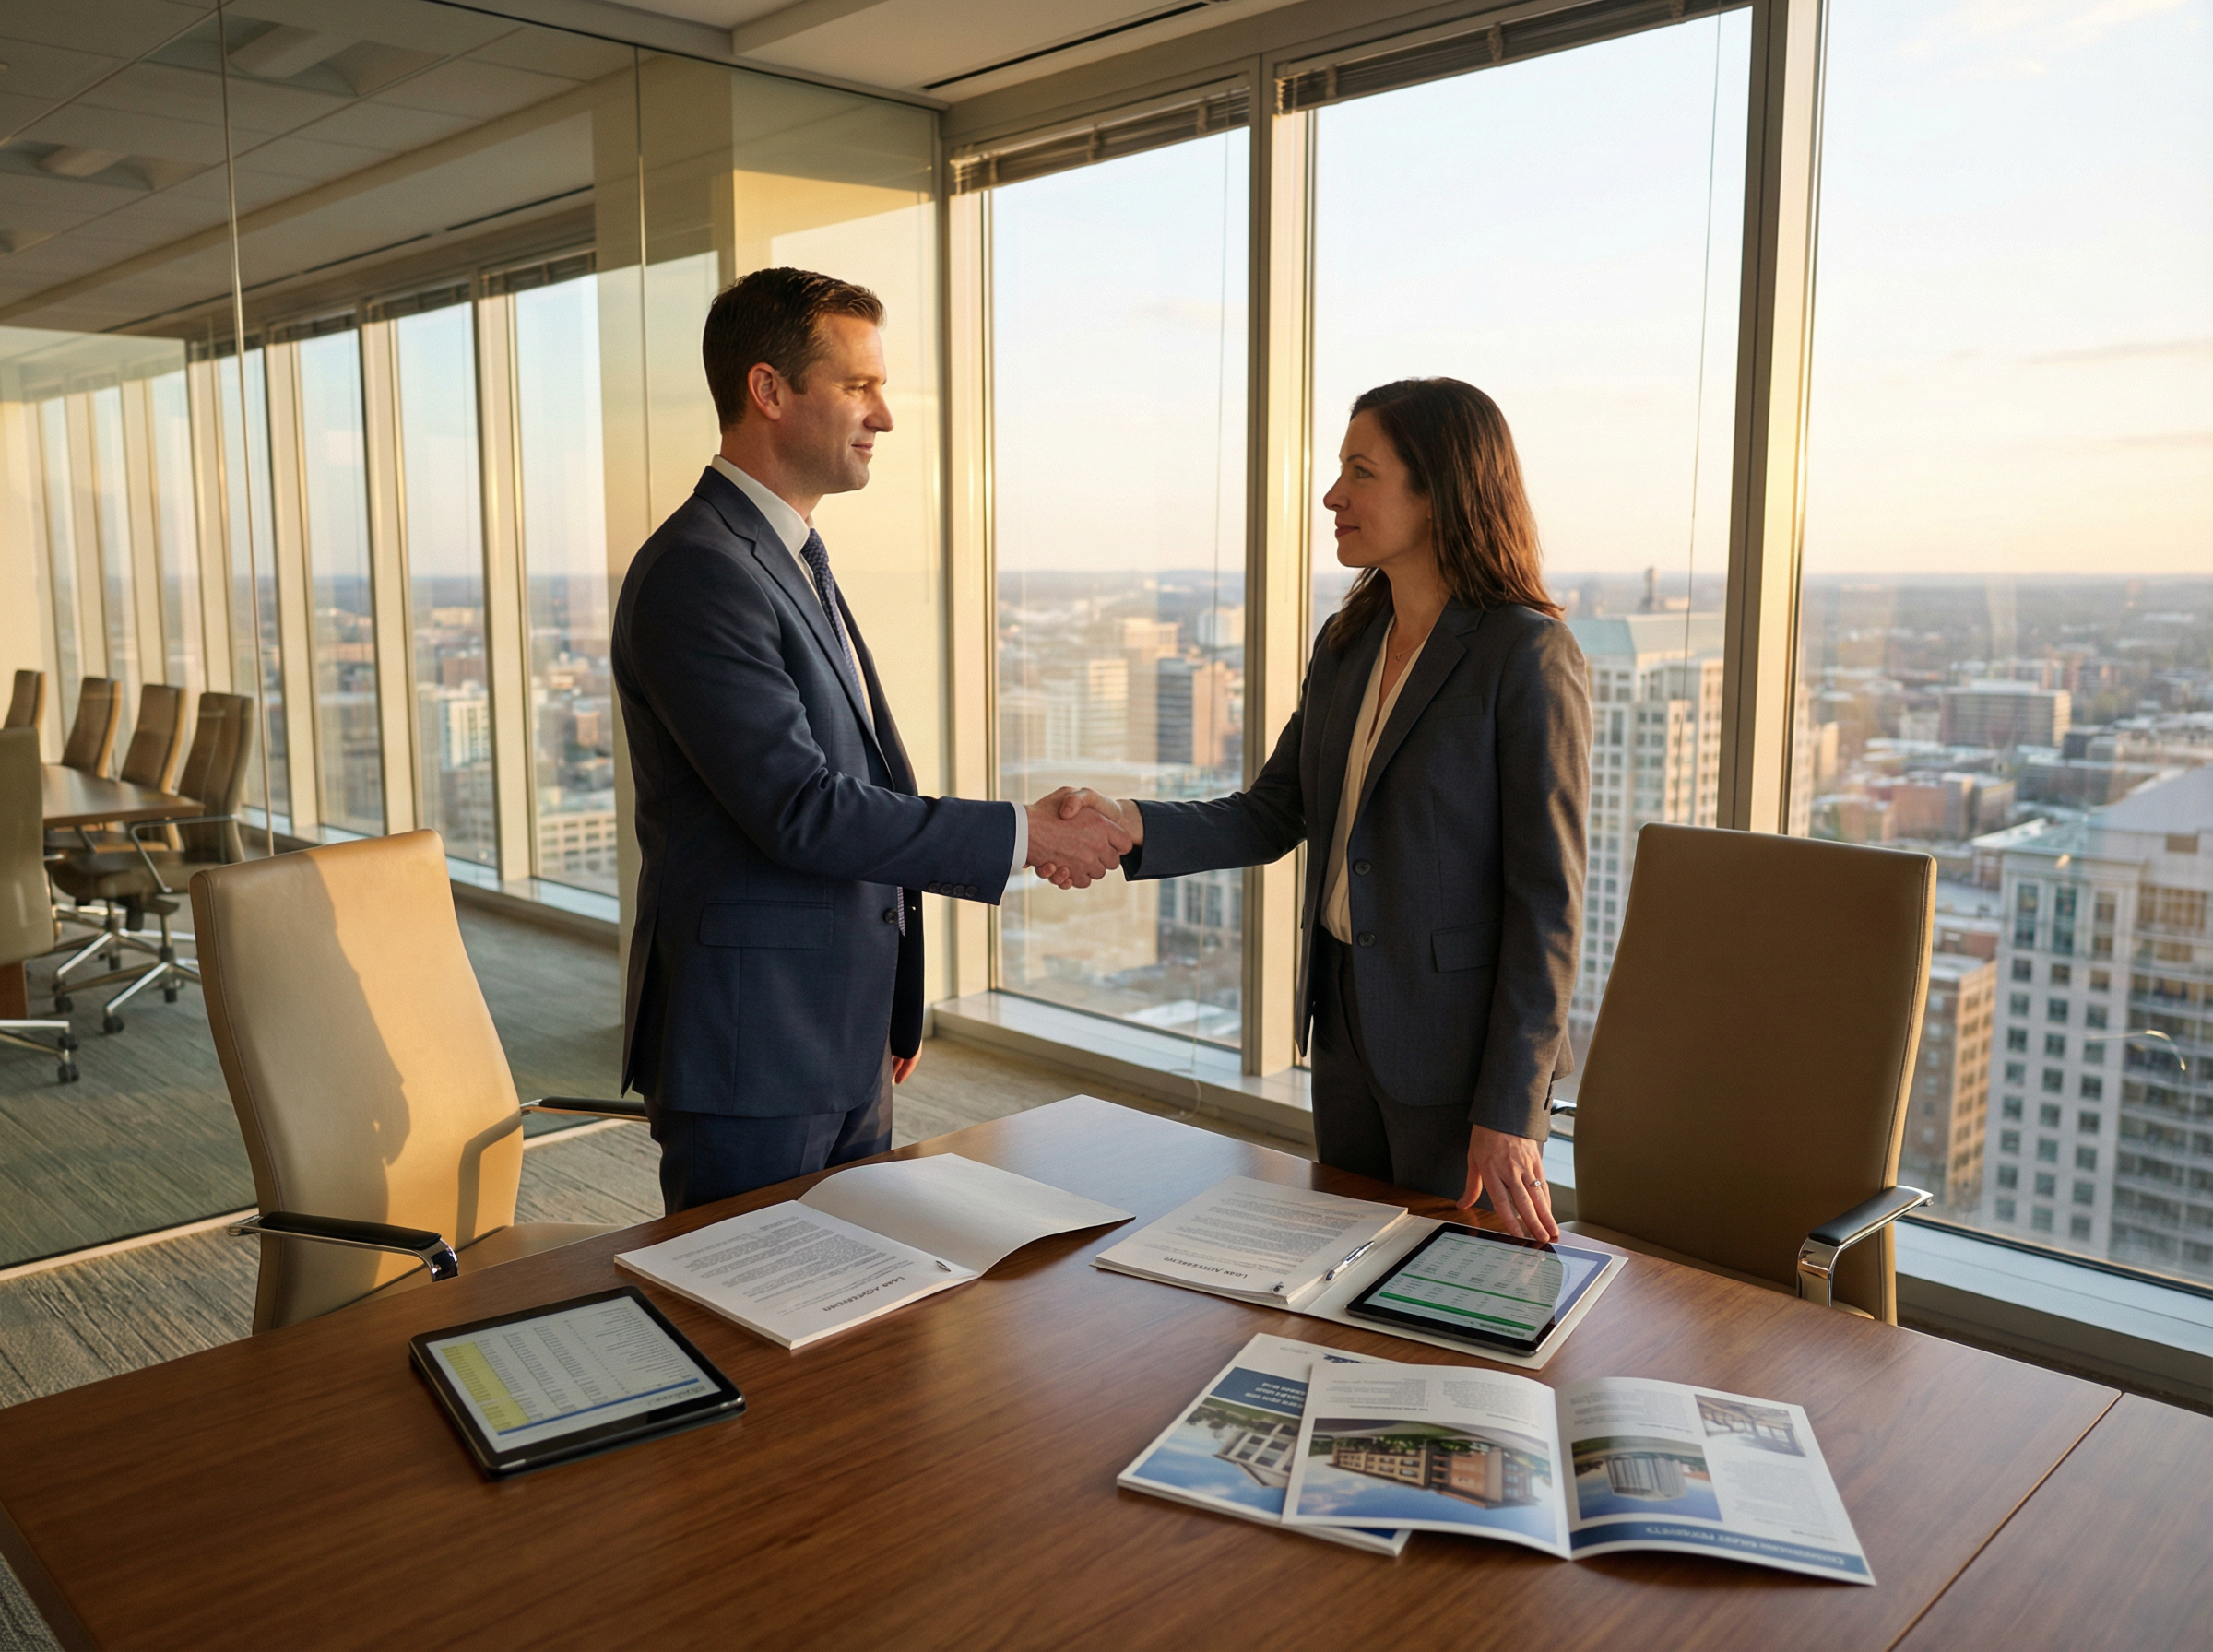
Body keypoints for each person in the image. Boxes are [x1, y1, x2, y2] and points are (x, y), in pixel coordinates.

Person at [612, 267, 1130, 1212]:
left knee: (853, 1324)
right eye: (860, 385)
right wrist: (1022, 834)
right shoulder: (701, 570)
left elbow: (859, 775)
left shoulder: (788, 554)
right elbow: (801, 809)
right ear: (769, 391)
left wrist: (889, 1005)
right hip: (753, 1049)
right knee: (755, 1326)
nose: (884, 416)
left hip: (838, 1038)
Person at [1044, 378, 1588, 1237]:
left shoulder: (1525, 654)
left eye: (1360, 472)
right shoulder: (1348, 644)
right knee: (1344, 1264)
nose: (1333, 496)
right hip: (1343, 1028)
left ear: (1440, 489)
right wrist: (1128, 824)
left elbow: (1548, 901)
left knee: (1444, 1293)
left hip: (1457, 1058)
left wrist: (1514, 1105)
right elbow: (1271, 812)